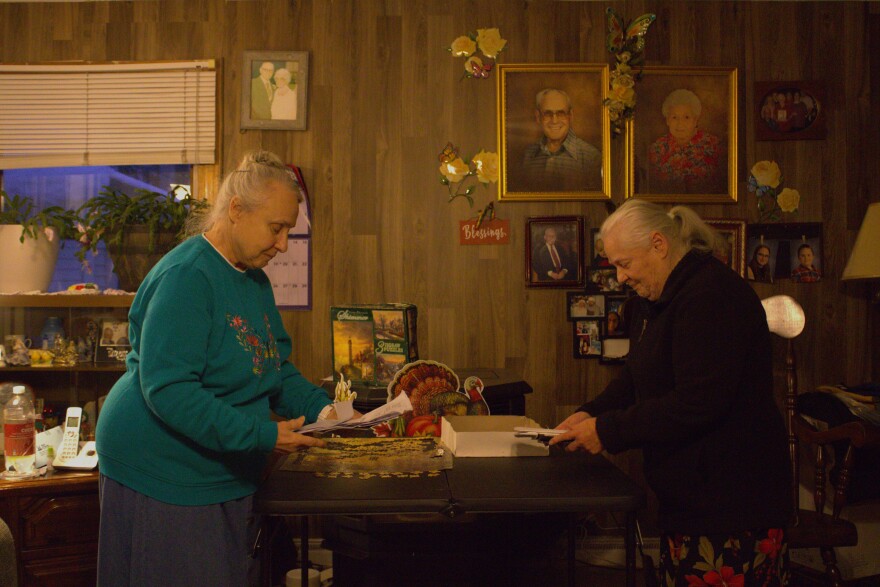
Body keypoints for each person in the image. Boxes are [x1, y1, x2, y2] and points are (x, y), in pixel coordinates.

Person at [95, 151, 352, 587]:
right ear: (236, 209)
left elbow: (273, 368)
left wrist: (330, 413)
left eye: (289, 231)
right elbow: (171, 391)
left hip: (219, 464)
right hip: (161, 467)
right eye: (276, 228)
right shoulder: (187, 277)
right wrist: (262, 436)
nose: (283, 244)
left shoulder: (253, 279)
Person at [550, 200, 791, 586]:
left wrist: (607, 431)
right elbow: (634, 378)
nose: (620, 277)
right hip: (690, 498)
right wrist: (589, 413)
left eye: (624, 263)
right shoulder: (655, 300)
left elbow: (698, 402)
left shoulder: (712, 295)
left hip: (733, 502)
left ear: (659, 244)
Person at [522, 88, 602, 192]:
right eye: (548, 113)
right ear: (538, 117)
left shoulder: (591, 158)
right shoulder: (529, 155)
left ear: (570, 116)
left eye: (561, 113)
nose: (554, 120)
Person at [647, 89, 725, 194]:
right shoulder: (657, 149)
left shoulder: (713, 146)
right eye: (674, 117)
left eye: (686, 117)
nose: (680, 123)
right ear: (667, 120)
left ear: (695, 120)